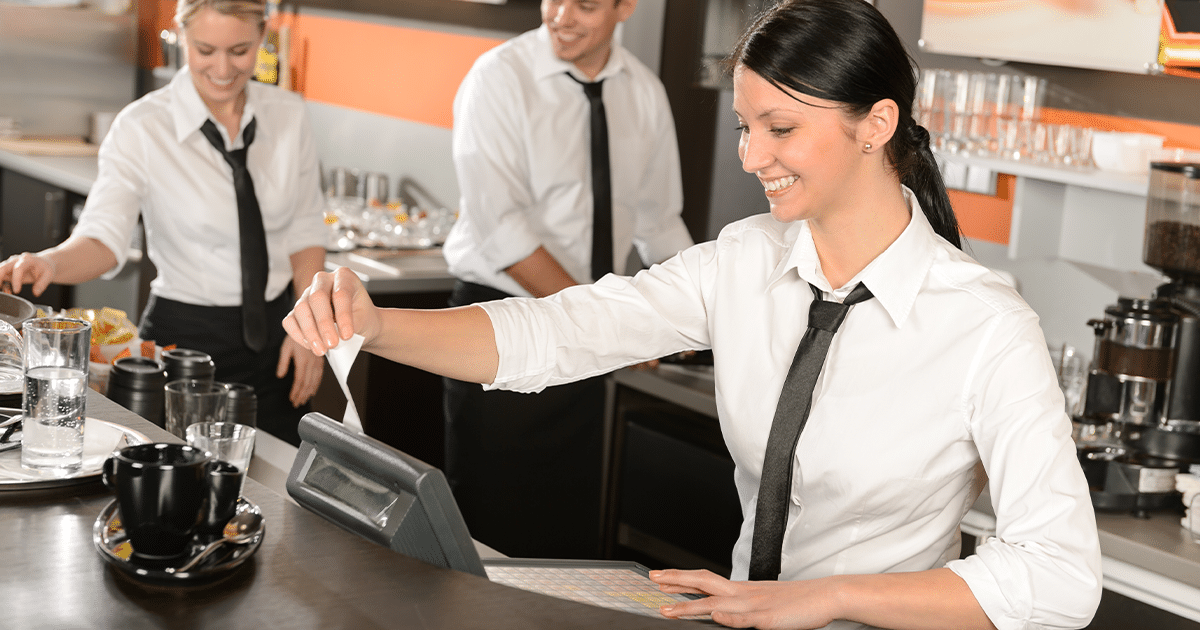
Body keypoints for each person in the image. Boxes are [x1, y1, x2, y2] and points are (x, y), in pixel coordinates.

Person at [285, 0, 1102, 628]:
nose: (750, 157)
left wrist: (822, 599)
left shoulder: (985, 325)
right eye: (746, 127)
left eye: (779, 128)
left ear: (876, 125)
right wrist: (377, 323)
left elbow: (1060, 574)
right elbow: (557, 331)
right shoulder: (746, 260)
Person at [0, 0, 326, 447]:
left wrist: (311, 323)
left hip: (280, 339)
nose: (223, 67)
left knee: (279, 485)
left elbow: (306, 229)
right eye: (206, 49)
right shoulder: (142, 126)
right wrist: (49, 264)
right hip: (185, 344)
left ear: (262, 38)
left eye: (240, 50)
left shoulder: (288, 115)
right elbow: (104, 237)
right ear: (181, 38)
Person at [439, 0, 694, 558]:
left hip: (592, 339)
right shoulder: (497, 79)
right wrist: (608, 322)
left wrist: (716, 316)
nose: (560, 14)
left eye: (586, 3)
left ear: (626, 7)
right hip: (504, 327)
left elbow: (658, 223)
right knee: (490, 533)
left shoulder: (644, 92)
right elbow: (502, 233)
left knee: (568, 539)